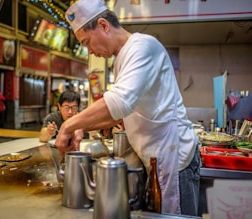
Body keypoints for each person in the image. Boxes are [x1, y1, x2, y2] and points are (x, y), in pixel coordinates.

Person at [55, 0, 200, 216]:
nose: (90, 52)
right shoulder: (122, 58)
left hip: (174, 159)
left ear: (103, 25)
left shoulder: (142, 47)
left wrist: (68, 125)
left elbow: (120, 101)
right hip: (157, 159)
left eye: (87, 43)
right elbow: (121, 112)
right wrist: (82, 128)